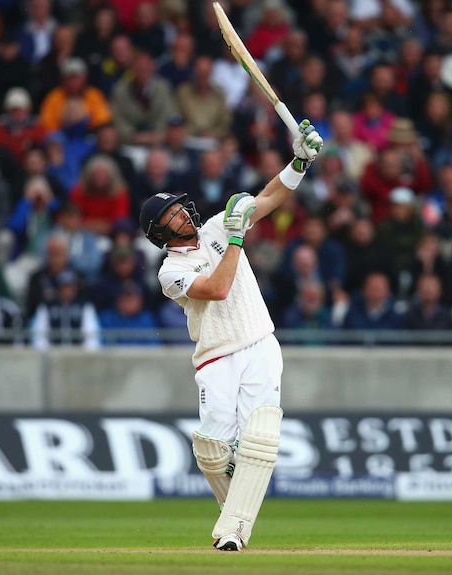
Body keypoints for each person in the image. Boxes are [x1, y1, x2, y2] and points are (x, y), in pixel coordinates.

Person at [138, 119, 322, 552]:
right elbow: (218, 289)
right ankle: (235, 515)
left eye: (183, 207)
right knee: (212, 450)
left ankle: (233, 533)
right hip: (215, 357)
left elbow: (270, 196)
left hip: (259, 343)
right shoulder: (171, 271)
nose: (185, 213)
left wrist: (299, 161)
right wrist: (237, 236)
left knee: (258, 439)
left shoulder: (218, 227)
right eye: (173, 214)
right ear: (160, 233)